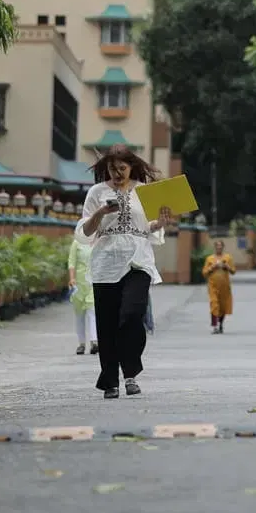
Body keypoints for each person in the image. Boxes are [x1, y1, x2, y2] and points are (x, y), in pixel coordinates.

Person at [76, 145, 173, 399]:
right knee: (107, 324)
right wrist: (101, 212)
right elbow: (86, 232)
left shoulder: (143, 192)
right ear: (105, 169)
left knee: (131, 314)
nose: (118, 173)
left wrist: (160, 223)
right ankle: (111, 381)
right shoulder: (97, 192)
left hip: (138, 260)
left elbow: (148, 226)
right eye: (113, 169)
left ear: (132, 167)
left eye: (122, 168)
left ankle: (130, 371)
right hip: (105, 263)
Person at [67, 236, 98, 356]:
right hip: (79, 283)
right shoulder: (77, 243)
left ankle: (94, 341)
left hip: (93, 281)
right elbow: (71, 262)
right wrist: (72, 278)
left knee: (92, 310)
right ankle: (81, 344)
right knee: (79, 314)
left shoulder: (98, 240)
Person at [203, 239, 236, 333]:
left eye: (220, 246)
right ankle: (215, 326)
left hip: (224, 286)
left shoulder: (227, 258)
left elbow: (233, 271)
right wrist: (212, 267)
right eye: (217, 246)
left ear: (223, 247)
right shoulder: (210, 259)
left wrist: (227, 267)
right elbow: (204, 272)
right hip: (213, 285)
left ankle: (220, 324)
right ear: (215, 247)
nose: (219, 248)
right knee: (214, 304)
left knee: (223, 307)